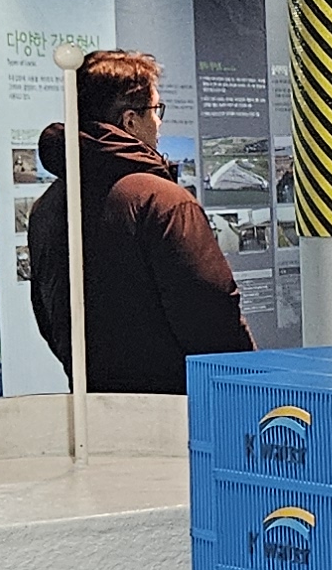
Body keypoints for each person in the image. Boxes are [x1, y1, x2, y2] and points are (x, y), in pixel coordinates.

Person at [25, 49, 252, 393]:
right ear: (130, 120)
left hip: (95, 408)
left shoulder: (47, 206)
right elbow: (213, 319)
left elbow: (48, 315)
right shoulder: (162, 201)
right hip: (177, 407)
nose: (159, 123)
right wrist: (247, 388)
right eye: (156, 110)